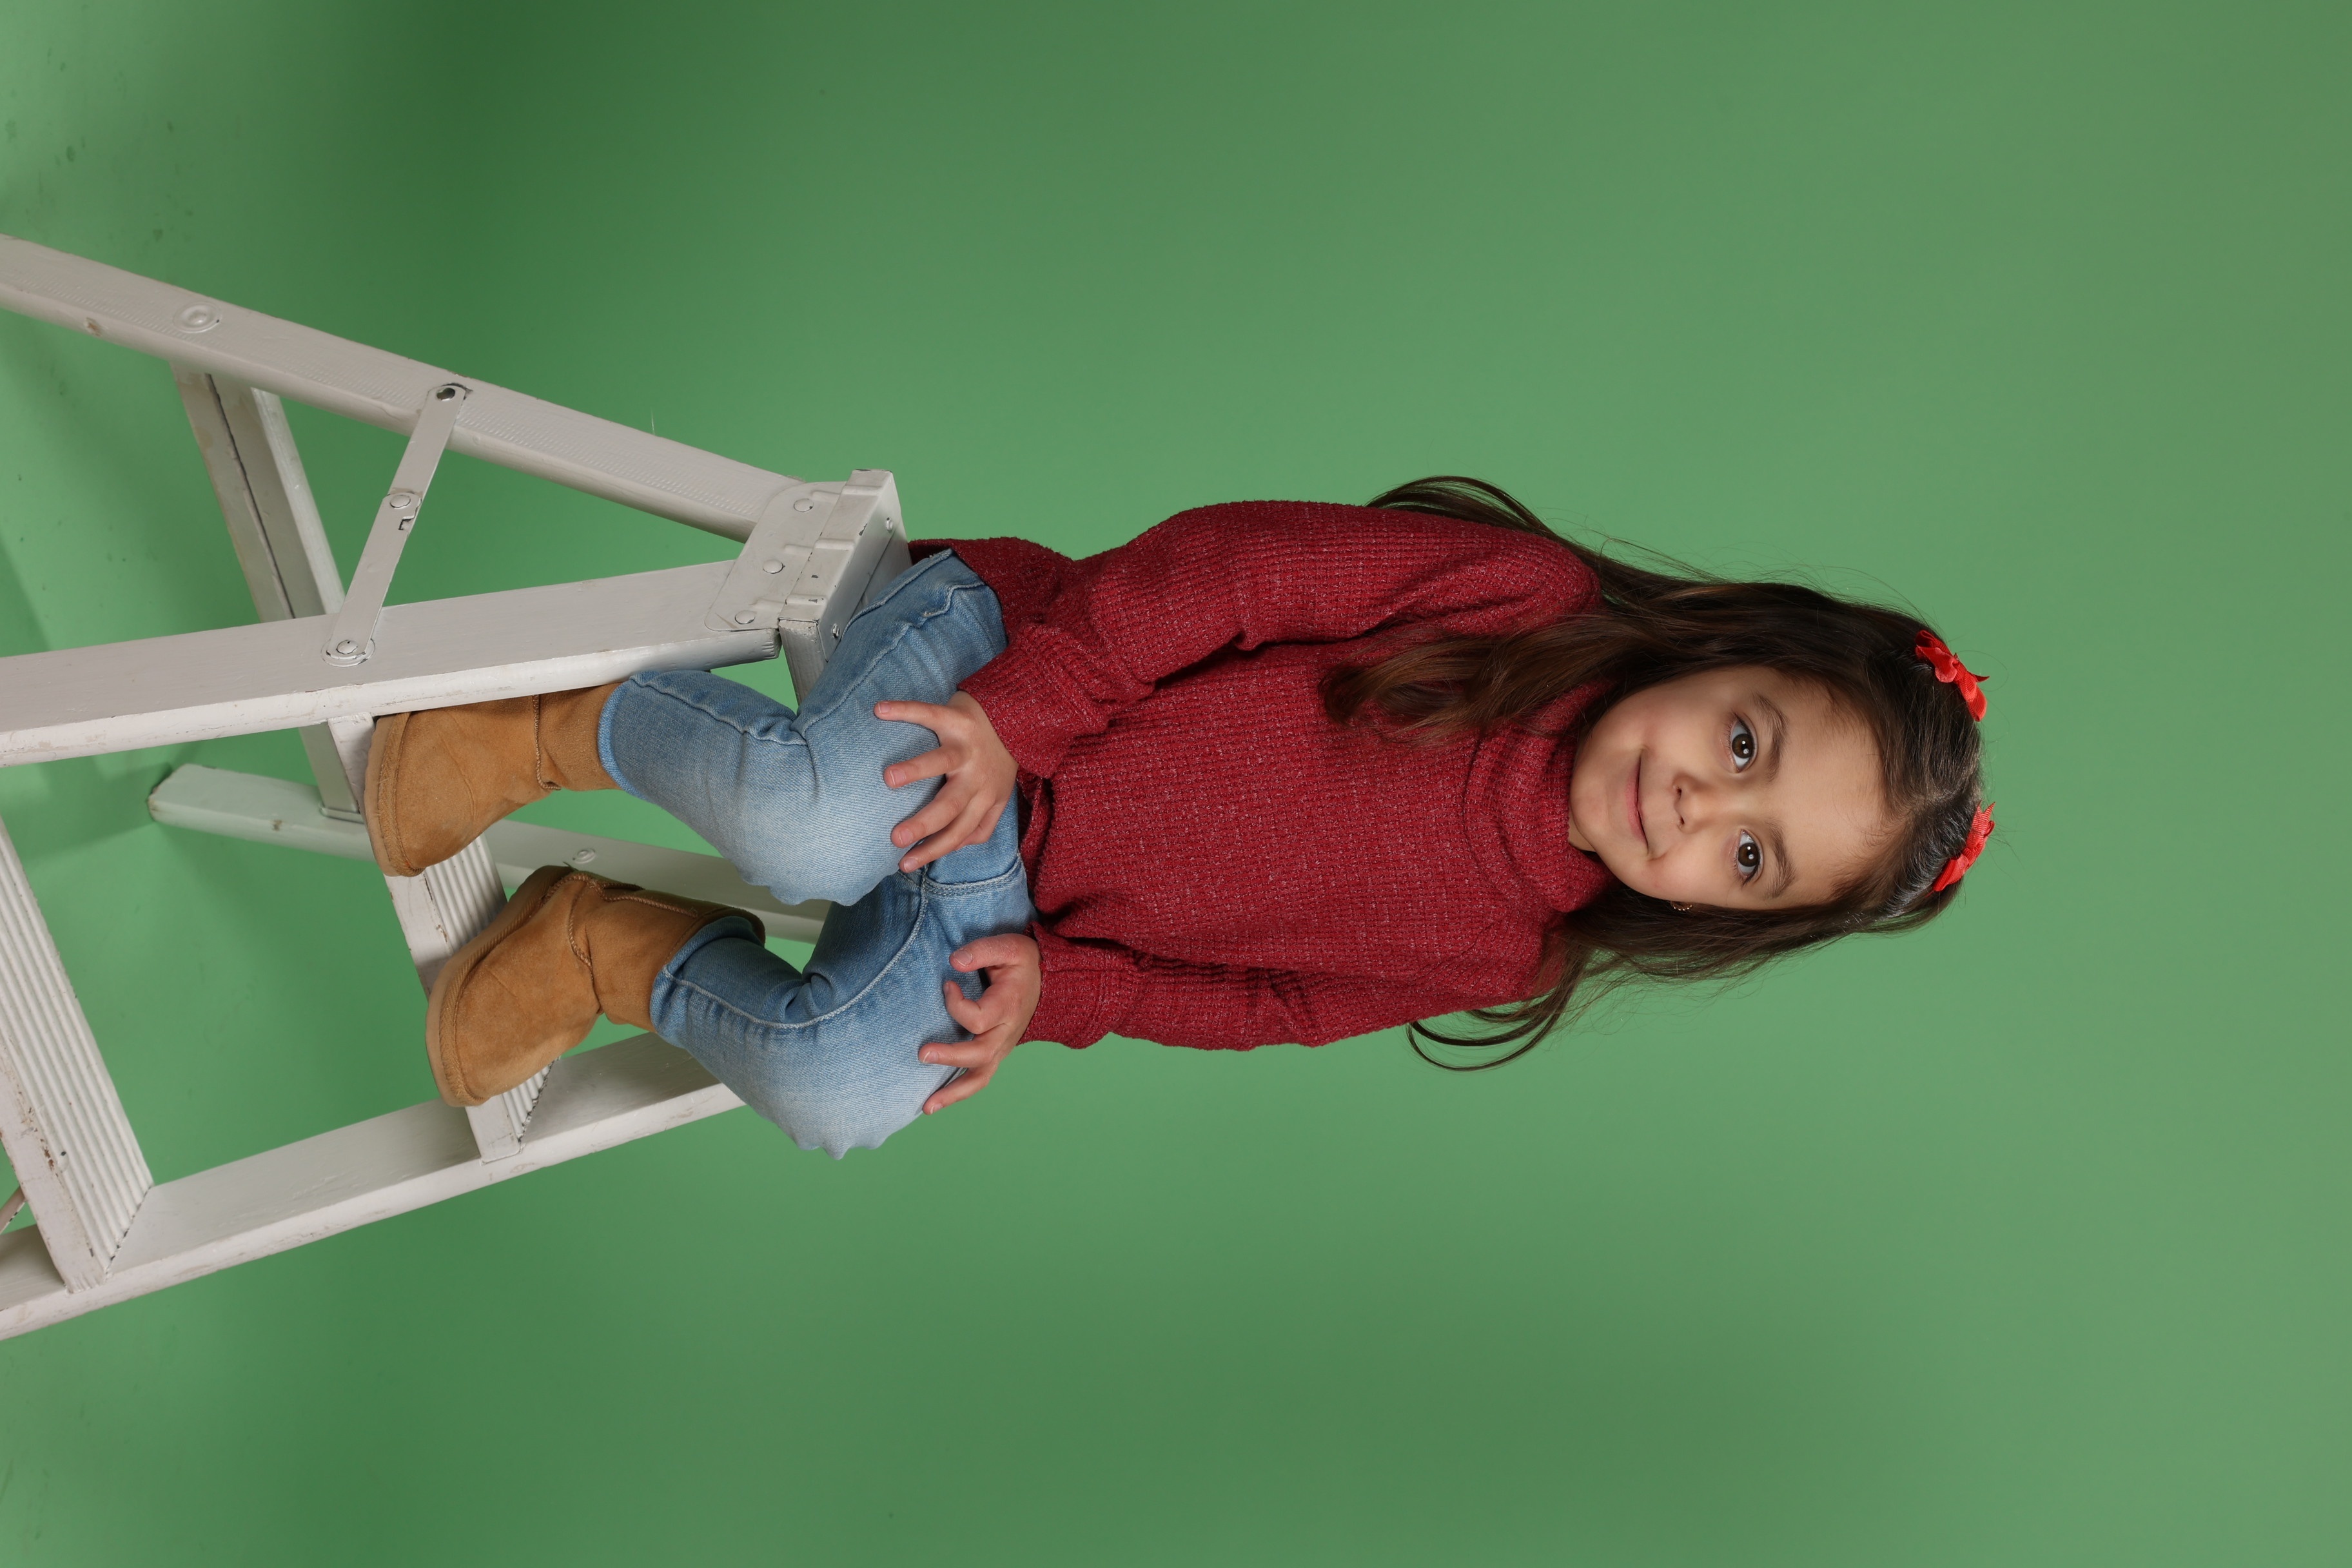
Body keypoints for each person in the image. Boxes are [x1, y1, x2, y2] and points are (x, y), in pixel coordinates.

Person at [361, 477, 1993, 1157]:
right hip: (1002, 663)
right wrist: (1021, 714)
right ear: (1723, 651)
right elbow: (1228, 575)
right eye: (1744, 738)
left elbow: (1270, 1004)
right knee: (806, 826)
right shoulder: (1517, 597)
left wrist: (1069, 990)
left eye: (1750, 855)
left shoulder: (1507, 950)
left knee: (846, 1090)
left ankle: (605, 946)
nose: (1700, 802)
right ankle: (548, 728)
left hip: (1012, 902)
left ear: (1718, 912)